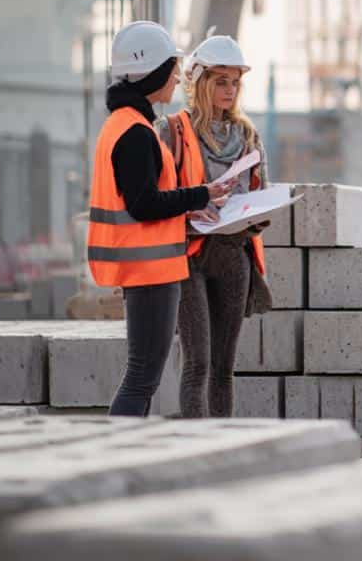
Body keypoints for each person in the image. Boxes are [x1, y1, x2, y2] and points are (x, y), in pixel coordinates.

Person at [88, 21, 231, 417]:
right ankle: (121, 454)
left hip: (146, 268)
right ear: (151, 71)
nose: (176, 78)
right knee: (141, 378)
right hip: (149, 271)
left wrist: (191, 202)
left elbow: (143, 199)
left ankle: (123, 454)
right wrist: (200, 194)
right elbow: (144, 203)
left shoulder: (126, 125)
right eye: (172, 69)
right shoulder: (134, 132)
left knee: (142, 377)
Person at [158, 33, 270, 418]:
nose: (230, 89)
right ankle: (195, 447)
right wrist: (189, 212)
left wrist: (254, 215)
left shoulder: (248, 136)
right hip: (188, 257)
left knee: (223, 368)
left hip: (232, 255)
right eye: (221, 80)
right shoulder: (172, 131)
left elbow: (262, 194)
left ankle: (222, 443)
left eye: (235, 81)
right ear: (200, 82)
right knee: (197, 365)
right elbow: (159, 200)